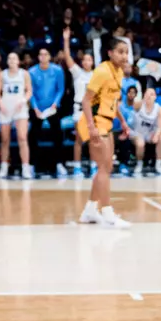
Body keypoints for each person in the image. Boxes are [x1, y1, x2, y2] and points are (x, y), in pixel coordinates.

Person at [77, 36, 132, 229]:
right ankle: (107, 213)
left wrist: (123, 122)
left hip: (107, 122)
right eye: (120, 52)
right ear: (110, 53)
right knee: (103, 168)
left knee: (106, 167)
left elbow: (113, 102)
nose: (124, 56)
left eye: (126, 52)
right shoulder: (102, 71)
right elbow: (85, 101)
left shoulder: (119, 72)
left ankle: (90, 211)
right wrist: (91, 128)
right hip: (93, 121)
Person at [29, 47, 67, 178]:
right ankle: (31, 165)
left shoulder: (57, 70)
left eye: (46, 54)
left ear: (50, 57)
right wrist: (35, 108)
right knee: (33, 134)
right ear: (38, 57)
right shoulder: (32, 72)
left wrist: (54, 104)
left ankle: (59, 163)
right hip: (37, 108)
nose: (43, 56)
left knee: (57, 134)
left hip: (53, 107)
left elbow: (60, 89)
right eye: (41, 54)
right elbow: (30, 92)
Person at [62, 28, 94, 178]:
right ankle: (77, 167)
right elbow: (67, 56)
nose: (87, 61)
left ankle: (93, 166)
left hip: (92, 111)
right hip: (79, 109)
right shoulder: (77, 73)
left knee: (94, 139)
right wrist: (66, 40)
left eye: (89, 59)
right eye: (85, 59)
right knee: (79, 139)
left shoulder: (96, 75)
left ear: (92, 62)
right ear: (82, 62)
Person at [0, 53, 33, 180]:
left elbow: (29, 91)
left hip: (20, 108)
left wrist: (23, 101)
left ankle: (26, 168)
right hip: (6, 108)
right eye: (9, 58)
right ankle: (4, 167)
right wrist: (0, 104)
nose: (11, 60)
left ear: (18, 61)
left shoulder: (24, 74)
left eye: (14, 58)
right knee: (5, 140)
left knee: (22, 138)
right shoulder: (2, 74)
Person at [132, 87, 161, 176]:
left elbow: (160, 126)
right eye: (147, 94)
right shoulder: (139, 104)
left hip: (150, 133)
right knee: (140, 144)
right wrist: (143, 99)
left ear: (155, 96)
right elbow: (135, 105)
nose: (149, 96)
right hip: (137, 132)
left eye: (151, 94)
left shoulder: (159, 109)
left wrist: (156, 135)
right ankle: (139, 164)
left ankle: (158, 165)